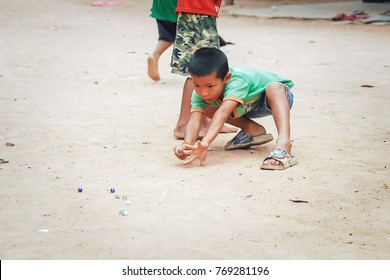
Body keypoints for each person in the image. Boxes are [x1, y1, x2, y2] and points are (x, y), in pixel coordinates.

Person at [174, 48, 297, 170]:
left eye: (210, 86)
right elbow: (194, 119)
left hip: (275, 99)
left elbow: (223, 113)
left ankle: (284, 144)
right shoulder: (200, 92)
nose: (204, 92)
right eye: (196, 85)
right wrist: (187, 145)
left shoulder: (237, 81)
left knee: (274, 87)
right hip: (245, 106)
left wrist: (205, 143)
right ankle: (253, 129)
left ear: (226, 78)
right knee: (206, 107)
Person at [171, 0, 237, 139]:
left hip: (202, 10)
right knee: (202, 69)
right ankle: (183, 124)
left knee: (207, 66)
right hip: (198, 10)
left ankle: (204, 121)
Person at [148, 0, 178, 81]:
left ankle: (155, 55)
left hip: (160, 5)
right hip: (174, 6)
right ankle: (155, 55)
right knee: (176, 36)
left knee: (167, 36)